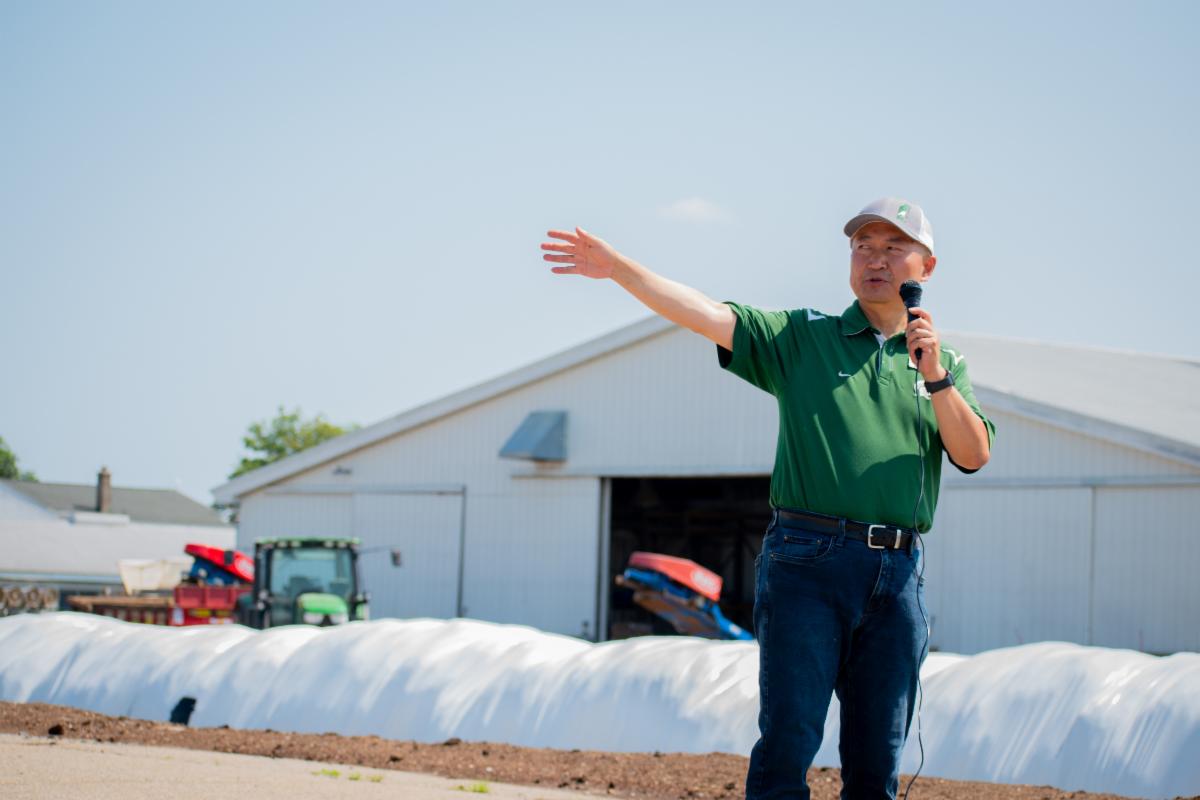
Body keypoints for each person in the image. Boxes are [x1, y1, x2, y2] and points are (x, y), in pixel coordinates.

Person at [541, 197, 995, 800]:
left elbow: (972, 454)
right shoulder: (804, 338)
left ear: (926, 267)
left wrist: (934, 373)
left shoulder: (945, 365)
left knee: (878, 755)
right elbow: (704, 314)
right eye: (863, 246)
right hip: (808, 561)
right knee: (788, 738)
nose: (874, 259)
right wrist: (621, 268)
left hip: (898, 573)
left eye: (892, 247)